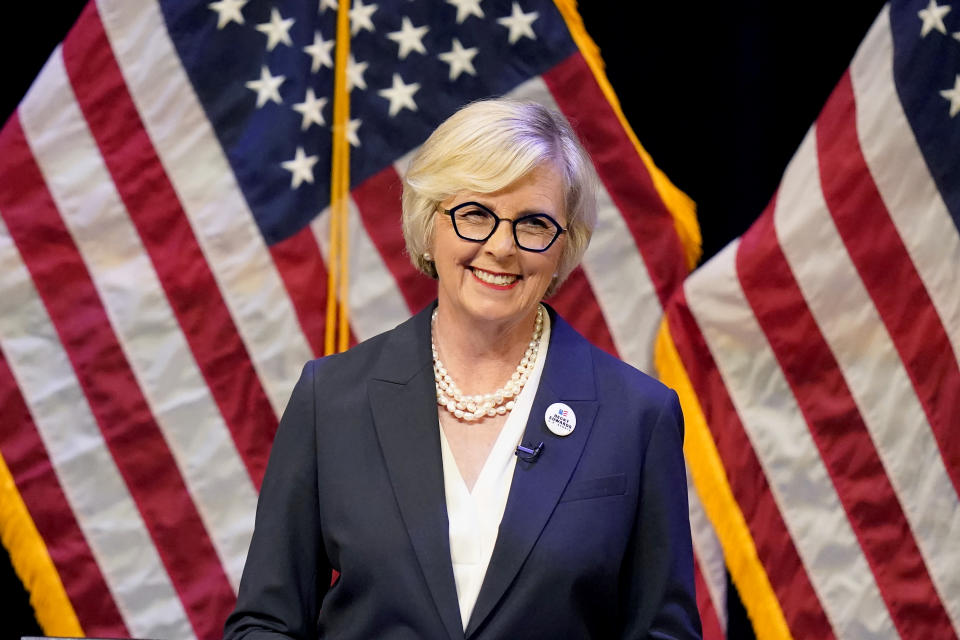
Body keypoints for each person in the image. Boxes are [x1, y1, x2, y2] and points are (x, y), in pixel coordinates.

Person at [224, 99, 701, 639]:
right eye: (475, 214)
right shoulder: (330, 398)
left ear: (563, 246)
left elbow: (665, 632)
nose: (501, 247)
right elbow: (265, 624)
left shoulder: (637, 416)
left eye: (534, 223)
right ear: (430, 224)